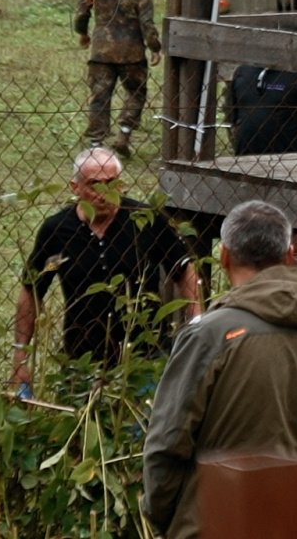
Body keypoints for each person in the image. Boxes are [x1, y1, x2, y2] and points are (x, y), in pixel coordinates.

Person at [142, 199, 297, 539]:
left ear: (225, 257)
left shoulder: (210, 335)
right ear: (287, 255)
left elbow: (168, 442)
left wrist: (164, 516)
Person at [14, 146, 202, 395]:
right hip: (82, 361)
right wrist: (20, 357)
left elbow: (184, 268)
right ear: (76, 187)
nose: (104, 193)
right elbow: (31, 291)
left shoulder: (145, 219)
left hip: (145, 358)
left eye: (111, 183)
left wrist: (197, 326)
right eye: (94, 184)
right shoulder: (56, 231)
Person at [78, 0, 161, 153]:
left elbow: (82, 12)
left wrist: (83, 34)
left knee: (100, 95)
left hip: (101, 50)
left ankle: (96, 143)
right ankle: (124, 134)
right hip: (131, 51)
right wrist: (154, 46)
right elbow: (146, 20)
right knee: (136, 92)